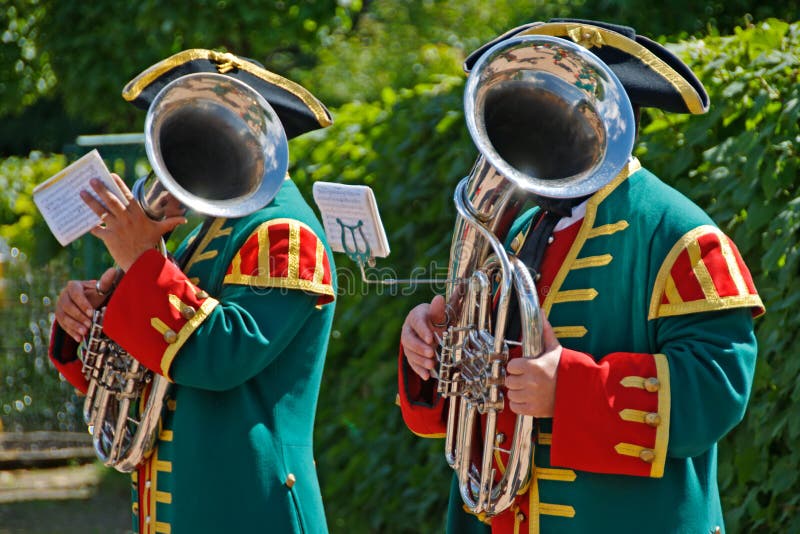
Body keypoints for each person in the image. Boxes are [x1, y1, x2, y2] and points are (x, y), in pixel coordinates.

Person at [397, 19, 764, 533]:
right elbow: (473, 379)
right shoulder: (520, 230)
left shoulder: (680, 234)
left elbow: (715, 392)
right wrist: (434, 351)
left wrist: (568, 390)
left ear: (617, 122)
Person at [48, 49, 336, 534]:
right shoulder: (207, 235)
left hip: (249, 508)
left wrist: (142, 262)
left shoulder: (285, 232)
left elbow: (221, 355)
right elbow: (145, 366)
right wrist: (91, 316)